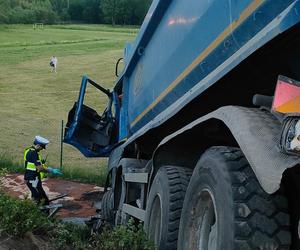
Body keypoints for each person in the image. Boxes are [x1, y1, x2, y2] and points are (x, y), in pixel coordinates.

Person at [24, 135, 61, 205]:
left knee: (35, 196)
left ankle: (33, 209)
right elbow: (39, 168)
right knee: (43, 200)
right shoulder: (34, 153)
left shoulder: (28, 150)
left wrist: (41, 164)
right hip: (33, 179)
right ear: (38, 145)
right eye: (42, 147)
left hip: (29, 177)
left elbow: (31, 164)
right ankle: (44, 214)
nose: (42, 149)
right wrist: (51, 170)